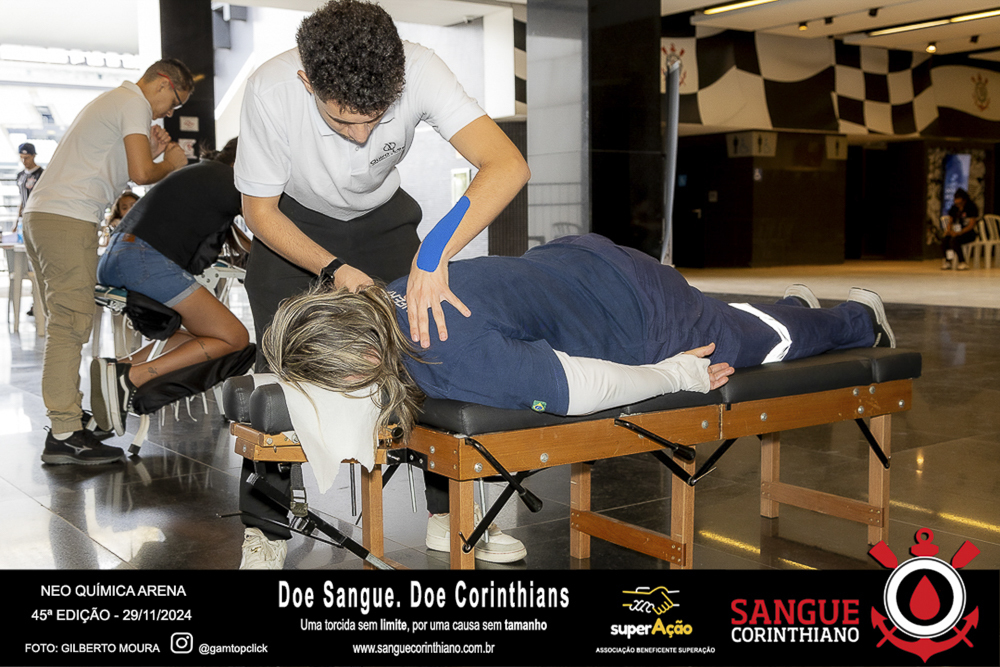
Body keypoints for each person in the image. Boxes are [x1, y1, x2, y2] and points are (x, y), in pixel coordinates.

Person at [234, 0, 530, 568]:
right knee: (281, 372)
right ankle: (265, 527)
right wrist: (334, 269)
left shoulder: (421, 68)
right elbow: (259, 212)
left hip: (383, 219)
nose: (361, 135)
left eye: (376, 118)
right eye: (344, 121)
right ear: (308, 82)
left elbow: (507, 165)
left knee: (429, 346)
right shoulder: (270, 89)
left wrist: (434, 253)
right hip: (293, 226)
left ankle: (450, 516)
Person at [264, 234, 895, 441]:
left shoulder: (452, 353)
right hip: (577, 265)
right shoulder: (395, 293)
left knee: (755, 345)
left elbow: (584, 388)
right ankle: (789, 306)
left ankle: (856, 318)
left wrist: (677, 374)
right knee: (730, 319)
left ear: (361, 353)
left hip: (641, 313)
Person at [22, 58, 193, 466]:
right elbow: (143, 173)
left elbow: (120, 171)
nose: (170, 113)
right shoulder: (133, 102)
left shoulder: (115, 101)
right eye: (175, 102)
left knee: (66, 322)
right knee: (71, 323)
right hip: (67, 217)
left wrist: (152, 153)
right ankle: (64, 433)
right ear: (163, 82)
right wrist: (170, 164)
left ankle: (68, 418)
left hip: (46, 214)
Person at [91, 138, 249, 436]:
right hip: (144, 261)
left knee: (200, 338)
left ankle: (118, 368)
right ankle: (132, 376)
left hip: (117, 257)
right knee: (234, 337)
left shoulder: (203, 172)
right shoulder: (229, 180)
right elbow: (266, 226)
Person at [941, 188, 978, 271]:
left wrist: (960, 233)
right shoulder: (954, 208)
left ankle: (962, 262)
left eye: (958, 200)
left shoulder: (971, 207)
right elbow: (950, 222)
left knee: (955, 241)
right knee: (945, 240)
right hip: (955, 231)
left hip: (968, 233)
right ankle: (948, 260)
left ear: (964, 199)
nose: (957, 202)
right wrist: (949, 231)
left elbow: (971, 224)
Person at [15, 143, 43, 231]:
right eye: (21, 157)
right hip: (25, 216)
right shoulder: (20, 175)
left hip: (38, 216)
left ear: (33, 156)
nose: (24, 161)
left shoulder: (42, 174)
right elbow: (22, 198)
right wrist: (16, 221)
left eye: (27, 157)